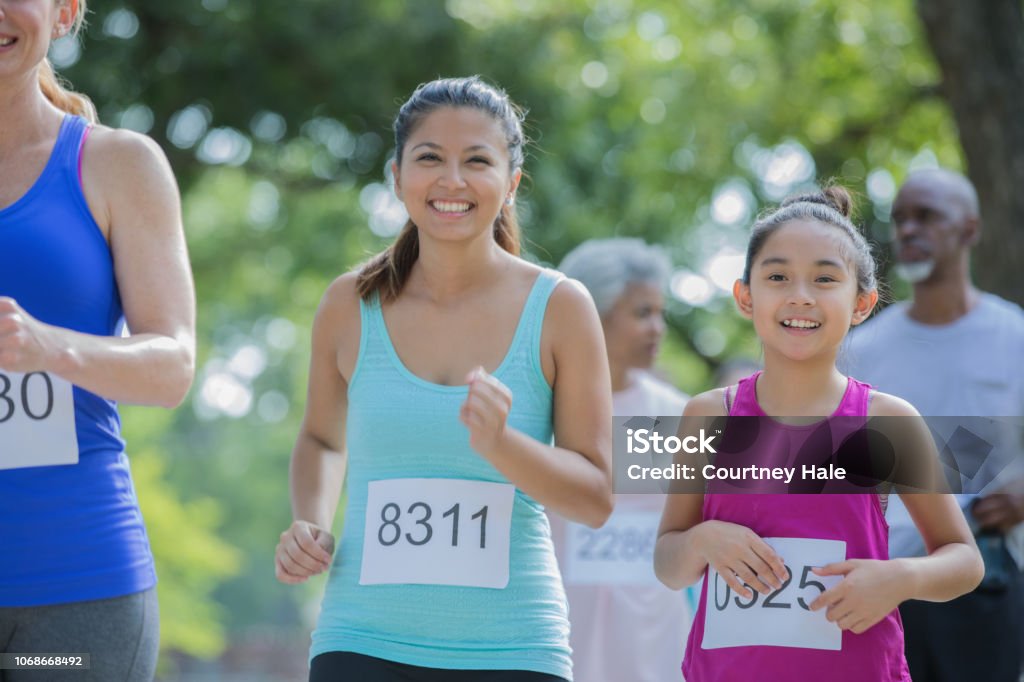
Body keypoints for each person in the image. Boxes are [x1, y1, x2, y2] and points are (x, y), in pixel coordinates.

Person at [274, 76, 613, 682]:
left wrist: (503, 445)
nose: (452, 181)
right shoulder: (348, 304)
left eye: (477, 161)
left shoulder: (561, 306)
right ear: (398, 177)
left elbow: (595, 498)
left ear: (510, 183)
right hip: (360, 642)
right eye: (429, 158)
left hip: (514, 652)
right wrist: (312, 521)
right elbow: (323, 440)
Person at [654, 186, 984, 681]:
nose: (800, 296)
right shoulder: (707, 417)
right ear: (746, 295)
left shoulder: (887, 421)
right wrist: (702, 541)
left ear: (862, 303)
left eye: (825, 279)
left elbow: (964, 562)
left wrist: (900, 577)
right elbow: (668, 561)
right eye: (778, 276)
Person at [0, 0, 196, 680]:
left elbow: (172, 367)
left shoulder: (119, 164)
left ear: (64, 13)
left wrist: (48, 348)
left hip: (75, 595)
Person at [843, 168, 1024, 681]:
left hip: (987, 580)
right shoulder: (862, 348)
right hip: (880, 587)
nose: (907, 230)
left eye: (926, 216)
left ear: (968, 230)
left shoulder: (1014, 334)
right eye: (900, 219)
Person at [547, 238, 692, 682]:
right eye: (642, 313)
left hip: (654, 638)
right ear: (591, 313)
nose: (658, 328)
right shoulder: (540, 410)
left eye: (660, 313)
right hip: (558, 628)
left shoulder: (675, 413)